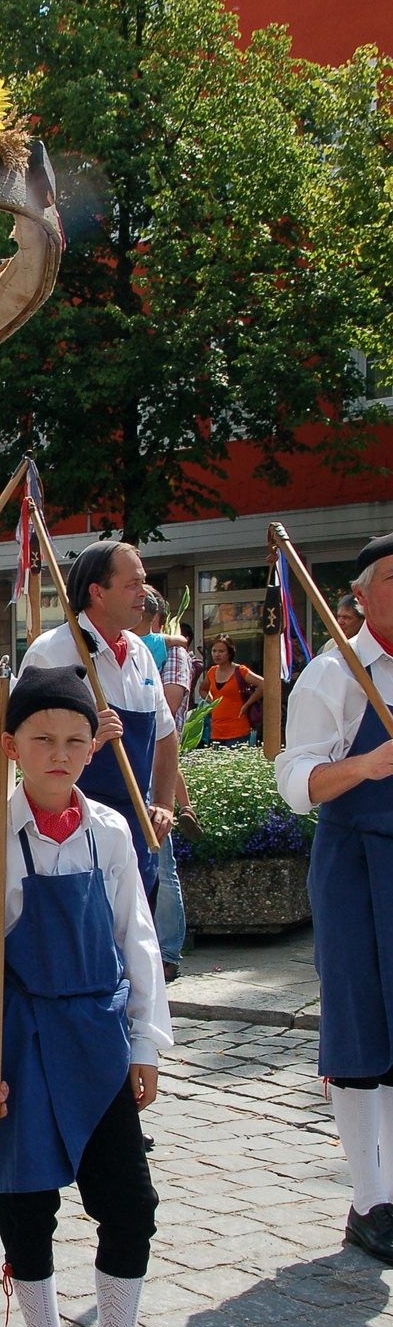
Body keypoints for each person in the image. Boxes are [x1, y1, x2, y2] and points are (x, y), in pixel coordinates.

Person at [0, 666, 199, 1327]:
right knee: (27, 1205)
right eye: (42, 739)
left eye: (74, 741)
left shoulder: (110, 831)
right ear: (11, 747)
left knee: (129, 1205)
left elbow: (137, 942)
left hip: (94, 1037)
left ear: (93, 747)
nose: (59, 754)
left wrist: (145, 1038)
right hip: (18, 1039)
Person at [275, 532, 393, 1265]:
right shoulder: (332, 674)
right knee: (357, 1027)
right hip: (356, 862)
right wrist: (368, 764)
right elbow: (295, 784)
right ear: (359, 595)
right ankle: (368, 1199)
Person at [18, 543, 178, 900]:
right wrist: (86, 742)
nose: (144, 594)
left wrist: (165, 803)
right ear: (97, 592)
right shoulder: (53, 652)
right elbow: (22, 741)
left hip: (137, 824)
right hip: (72, 826)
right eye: (132, 584)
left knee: (136, 936)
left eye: (143, 583)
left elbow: (165, 735)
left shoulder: (140, 654)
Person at [135, 590, 192, 981]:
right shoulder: (138, 645)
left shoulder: (165, 652)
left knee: (162, 862)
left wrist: (172, 800)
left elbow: (164, 718)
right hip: (141, 762)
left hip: (155, 763)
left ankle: (168, 949)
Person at [205, 635, 263, 747]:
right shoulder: (211, 672)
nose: (217, 654)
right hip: (217, 729)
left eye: (221, 651)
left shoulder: (240, 671)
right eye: (214, 651)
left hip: (237, 727)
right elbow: (202, 689)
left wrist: (247, 705)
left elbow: (263, 684)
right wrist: (212, 703)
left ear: (230, 652)